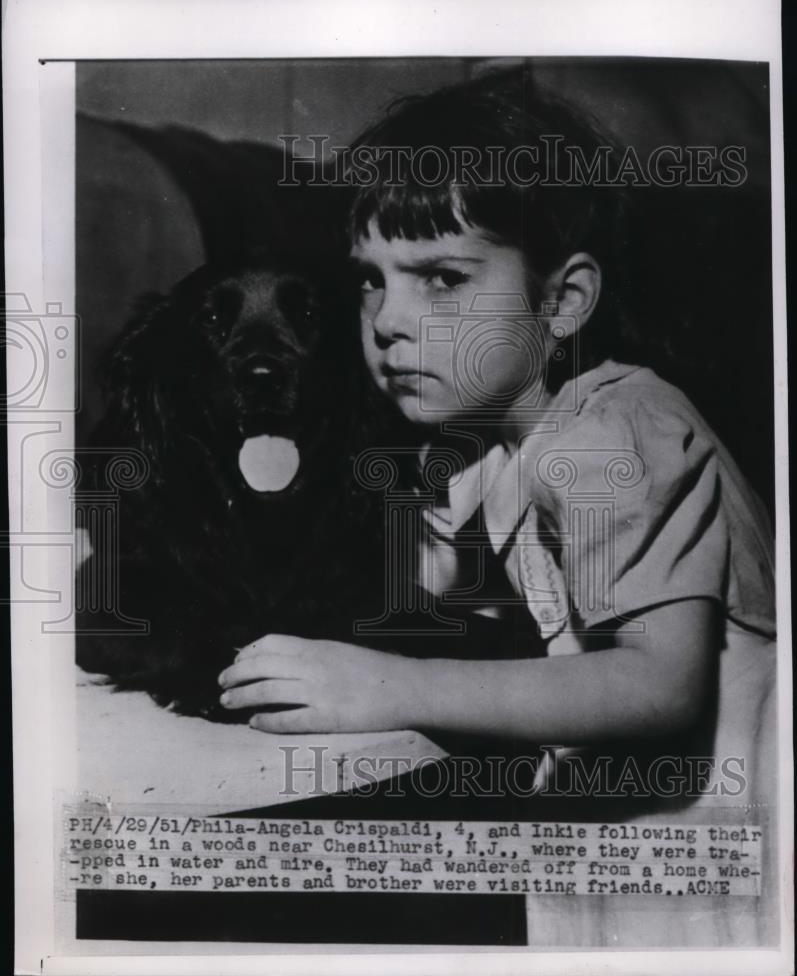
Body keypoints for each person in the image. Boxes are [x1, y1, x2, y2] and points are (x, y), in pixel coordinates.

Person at [217, 67, 776, 807]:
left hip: (738, 826)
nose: (386, 321)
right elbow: (405, 601)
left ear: (562, 300)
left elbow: (655, 684)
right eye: (370, 281)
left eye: (441, 279)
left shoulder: (612, 431)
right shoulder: (485, 448)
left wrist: (391, 686)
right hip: (609, 821)